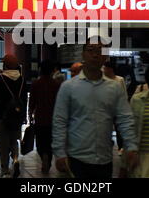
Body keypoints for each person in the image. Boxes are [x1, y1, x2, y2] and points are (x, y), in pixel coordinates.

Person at [52, 36, 139, 179]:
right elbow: (59, 122)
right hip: (76, 159)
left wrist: (131, 146)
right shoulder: (68, 87)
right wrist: (59, 152)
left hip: (104, 159)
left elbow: (125, 119)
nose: (95, 54)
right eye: (91, 50)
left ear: (106, 55)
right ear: (83, 54)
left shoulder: (114, 88)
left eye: (100, 50)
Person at [0, 54, 28, 178]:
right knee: (14, 140)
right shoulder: (22, 79)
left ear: (4, 64)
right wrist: (24, 116)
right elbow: (24, 99)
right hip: (17, 116)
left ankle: (5, 169)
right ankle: (16, 159)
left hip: (2, 116)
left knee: (3, 143)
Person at [29, 60, 60, 174]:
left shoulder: (36, 84)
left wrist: (30, 115)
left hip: (40, 117)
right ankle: (48, 158)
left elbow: (32, 102)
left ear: (40, 70)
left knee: (41, 142)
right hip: (53, 118)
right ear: (52, 71)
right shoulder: (56, 84)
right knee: (50, 142)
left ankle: (43, 157)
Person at [103, 61, 128, 156]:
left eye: (106, 68)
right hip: (107, 109)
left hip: (117, 109)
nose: (104, 70)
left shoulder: (119, 79)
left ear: (111, 69)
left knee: (119, 129)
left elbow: (124, 93)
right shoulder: (103, 80)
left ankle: (120, 147)